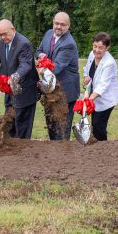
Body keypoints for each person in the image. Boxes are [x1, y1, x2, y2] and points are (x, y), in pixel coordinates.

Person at [36, 11, 80, 140]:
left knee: (62, 131)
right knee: (51, 127)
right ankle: (53, 157)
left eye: (63, 24)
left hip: (65, 92)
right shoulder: (49, 34)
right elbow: (38, 51)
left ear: (68, 26)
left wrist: (42, 70)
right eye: (56, 23)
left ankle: (64, 158)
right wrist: (41, 56)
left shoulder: (69, 44)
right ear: (53, 22)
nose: (59, 27)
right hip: (50, 89)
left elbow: (57, 67)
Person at [0, 19, 39, 138]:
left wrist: (14, 77)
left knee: (22, 129)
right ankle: (10, 152)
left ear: (13, 29)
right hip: (10, 93)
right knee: (9, 125)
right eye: (0, 35)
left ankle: (23, 155)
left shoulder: (23, 44)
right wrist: (3, 80)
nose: (2, 37)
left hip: (25, 91)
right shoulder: (1, 42)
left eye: (5, 34)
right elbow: (3, 63)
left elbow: (25, 64)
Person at [82, 32, 118, 141]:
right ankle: (97, 146)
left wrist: (89, 99)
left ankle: (102, 148)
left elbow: (103, 85)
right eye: (95, 46)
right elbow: (87, 68)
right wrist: (86, 77)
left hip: (106, 99)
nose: (96, 50)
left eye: (100, 48)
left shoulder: (109, 63)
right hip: (94, 97)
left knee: (98, 125)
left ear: (107, 48)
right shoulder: (92, 54)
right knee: (95, 124)